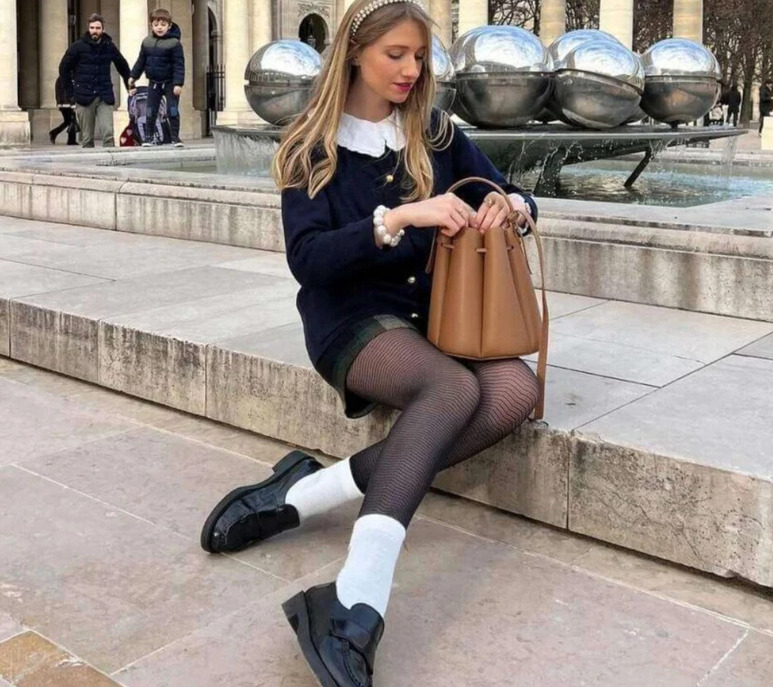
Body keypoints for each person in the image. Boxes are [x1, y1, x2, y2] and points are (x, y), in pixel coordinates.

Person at [200, 1, 540, 685]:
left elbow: (511, 191)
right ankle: (357, 599)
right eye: (396, 55)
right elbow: (309, 260)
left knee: (514, 390)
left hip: (437, 318)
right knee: (452, 387)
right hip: (350, 319)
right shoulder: (311, 144)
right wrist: (399, 218)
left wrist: (513, 206)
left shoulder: (435, 132)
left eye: (419, 56)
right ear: (356, 53)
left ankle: (303, 494)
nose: (411, 70)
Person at [58, 14, 130, 148]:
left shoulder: (109, 46)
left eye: (97, 28)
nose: (94, 31)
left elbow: (123, 66)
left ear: (103, 29)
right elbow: (63, 69)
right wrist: (70, 93)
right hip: (83, 96)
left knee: (108, 134)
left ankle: (110, 159)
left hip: (104, 95)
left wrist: (129, 85)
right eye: (92, 28)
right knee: (87, 139)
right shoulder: (77, 47)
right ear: (88, 28)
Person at [128, 8, 186, 147]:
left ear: (169, 26)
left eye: (163, 25)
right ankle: (148, 138)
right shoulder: (147, 42)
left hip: (170, 82)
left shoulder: (174, 43)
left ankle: (175, 137)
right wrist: (133, 76)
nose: (159, 27)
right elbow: (141, 62)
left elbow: (179, 64)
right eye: (156, 24)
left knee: (172, 110)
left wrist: (178, 83)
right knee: (150, 110)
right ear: (151, 25)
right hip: (154, 82)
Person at [48, 76, 79, 145]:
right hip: (67, 104)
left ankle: (70, 139)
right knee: (70, 121)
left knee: (70, 121)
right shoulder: (66, 79)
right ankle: (55, 133)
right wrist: (72, 104)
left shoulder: (62, 79)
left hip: (64, 104)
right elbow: (67, 93)